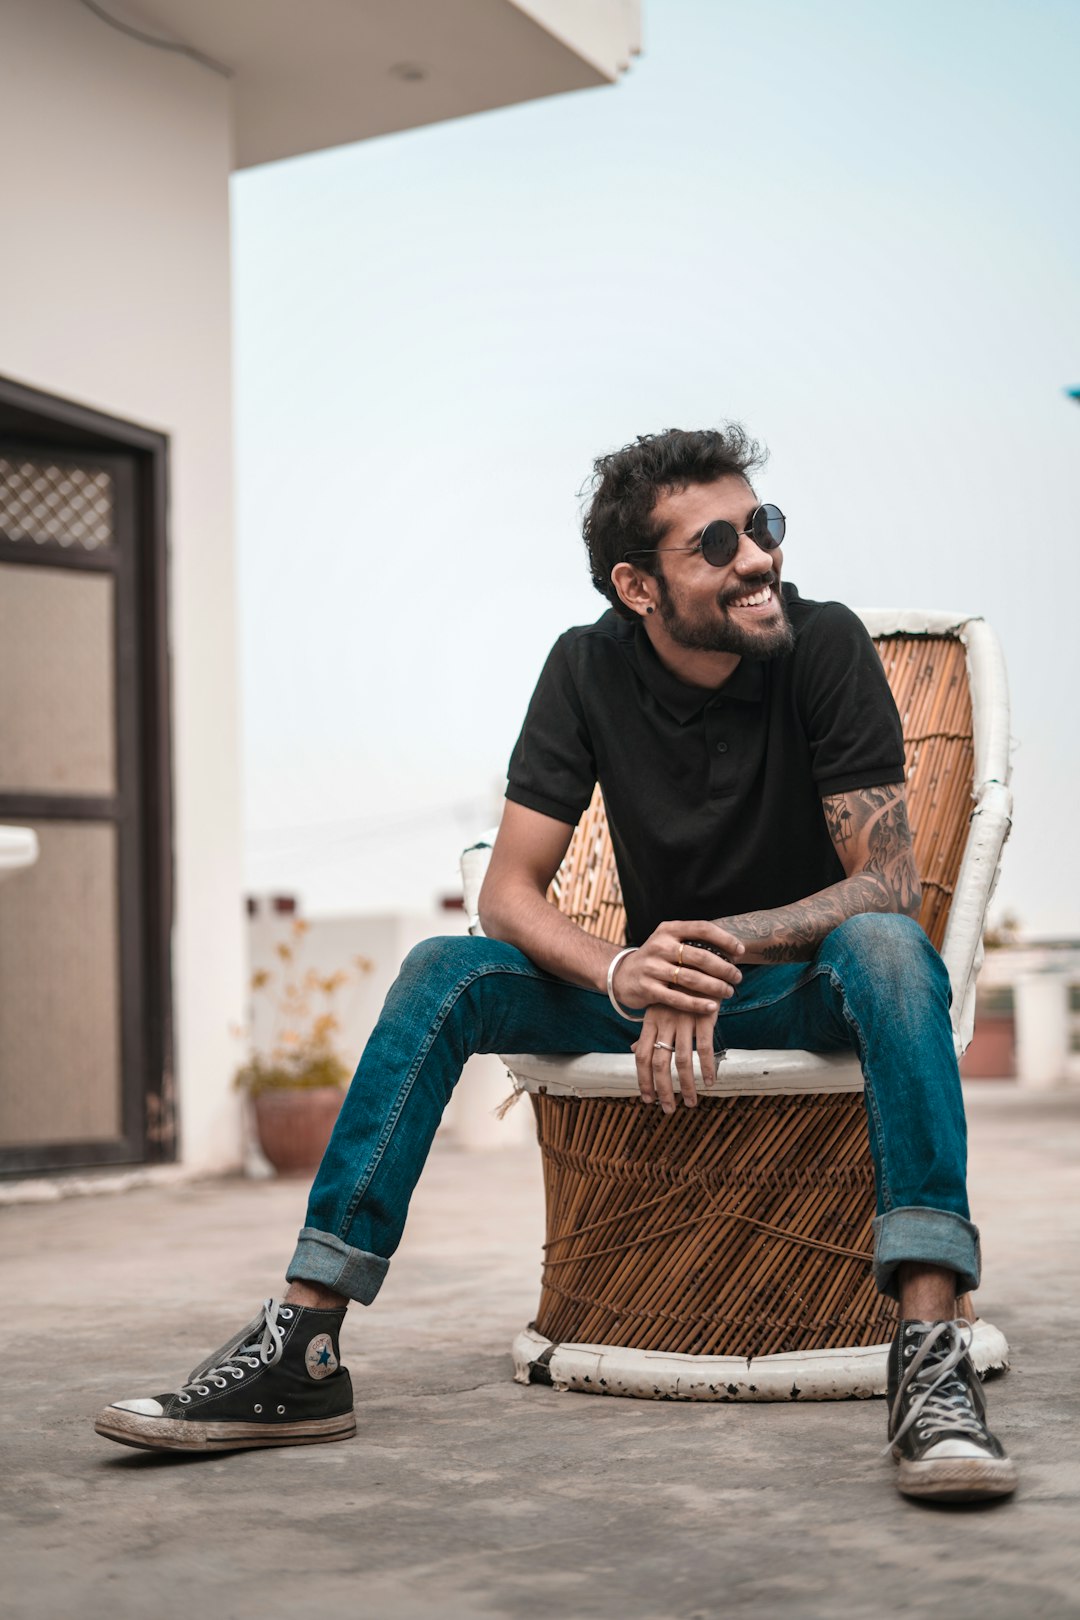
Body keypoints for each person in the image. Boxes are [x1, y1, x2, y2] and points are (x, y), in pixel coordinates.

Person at [95, 426, 1016, 1503]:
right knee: (447, 966)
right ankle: (304, 1342)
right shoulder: (584, 669)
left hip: (798, 986)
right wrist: (625, 972)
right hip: (644, 996)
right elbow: (510, 893)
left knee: (891, 949)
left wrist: (716, 945)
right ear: (637, 584)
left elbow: (884, 880)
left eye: (762, 524)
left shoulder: (825, 645)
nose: (759, 557)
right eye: (715, 543)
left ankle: (931, 1354)